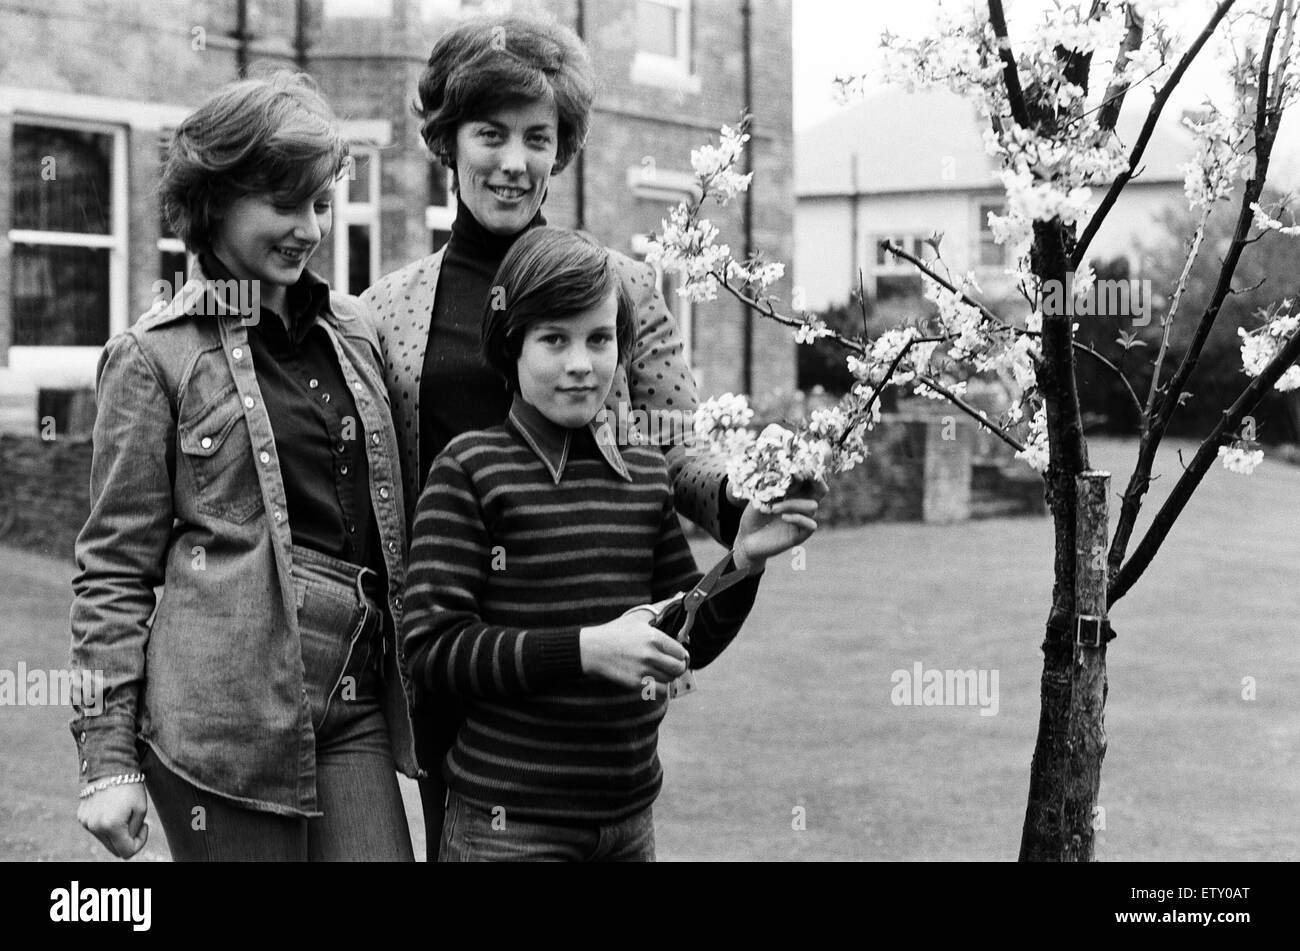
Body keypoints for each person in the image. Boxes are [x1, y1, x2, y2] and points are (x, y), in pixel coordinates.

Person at [362, 10, 819, 859]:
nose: (512, 160)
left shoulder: (620, 288)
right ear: (448, 141)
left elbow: (673, 441)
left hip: (586, 660)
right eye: (490, 132)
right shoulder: (385, 309)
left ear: (561, 147)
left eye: (538, 137)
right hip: (456, 648)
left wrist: (741, 509)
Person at [70, 72, 418, 861]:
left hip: (353, 698)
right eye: (284, 204)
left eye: (321, 203)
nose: (308, 228)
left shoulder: (356, 333)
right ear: (215, 201)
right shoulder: (152, 358)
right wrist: (107, 760)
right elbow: (112, 572)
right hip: (220, 721)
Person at [402, 227, 819, 861]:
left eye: (599, 339)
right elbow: (434, 649)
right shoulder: (470, 470)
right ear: (510, 346)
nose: (580, 363)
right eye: (553, 340)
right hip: (508, 829)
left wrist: (742, 564)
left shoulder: (644, 471)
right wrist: (585, 651)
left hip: (627, 825)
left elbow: (682, 639)